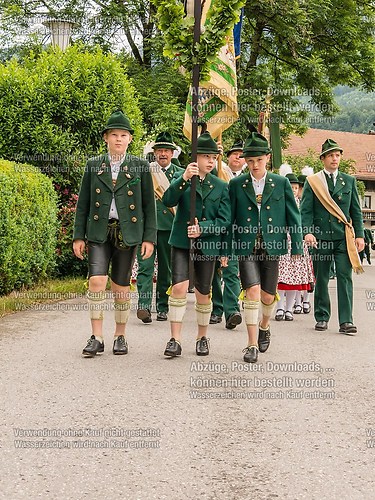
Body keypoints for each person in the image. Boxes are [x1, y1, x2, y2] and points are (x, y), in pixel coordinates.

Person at [73, 110, 156, 357]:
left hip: (127, 233)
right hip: (98, 232)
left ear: (130, 139)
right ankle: (96, 336)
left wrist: (149, 238)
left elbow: (148, 206)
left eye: (123, 135)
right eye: (114, 135)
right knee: (97, 281)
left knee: (121, 287)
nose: (118, 139)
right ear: (106, 138)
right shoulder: (93, 165)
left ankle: (120, 335)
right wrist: (78, 236)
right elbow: (83, 204)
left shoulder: (140, 166)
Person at [228, 132, 303, 363]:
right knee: (252, 292)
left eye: (259, 160)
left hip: (273, 245)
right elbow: (229, 217)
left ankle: (264, 325)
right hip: (246, 245)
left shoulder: (280, 183)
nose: (254, 165)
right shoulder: (236, 184)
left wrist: (297, 246)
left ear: (268, 158)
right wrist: (225, 248)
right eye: (249, 161)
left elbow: (293, 215)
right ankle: (250, 344)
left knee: (268, 296)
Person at [161, 131, 231, 357]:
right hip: (182, 243)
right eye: (206, 157)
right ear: (195, 157)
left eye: (214, 158)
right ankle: (175, 339)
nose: (211, 162)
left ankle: (202, 337)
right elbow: (167, 200)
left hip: (207, 246)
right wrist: (182, 180)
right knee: (179, 288)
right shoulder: (183, 179)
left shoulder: (220, 186)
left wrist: (204, 228)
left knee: (203, 292)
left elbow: (224, 220)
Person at [300, 138, 365, 335]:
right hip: (321, 238)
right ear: (323, 159)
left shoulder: (349, 180)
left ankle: (346, 321)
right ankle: (321, 317)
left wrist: (360, 235)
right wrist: (308, 231)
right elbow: (306, 210)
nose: (335, 159)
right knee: (321, 278)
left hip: (343, 237)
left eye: (337, 155)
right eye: (330, 155)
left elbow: (356, 211)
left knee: (345, 277)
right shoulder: (313, 182)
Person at [136, 132, 184, 323]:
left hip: (170, 227)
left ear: (172, 153)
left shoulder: (180, 173)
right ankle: (144, 306)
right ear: (154, 153)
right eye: (159, 150)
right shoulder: (146, 171)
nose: (163, 154)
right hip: (148, 227)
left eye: (166, 150)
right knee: (145, 267)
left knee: (166, 269)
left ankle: (163, 306)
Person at [210, 140, 244, 329]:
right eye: (234, 154)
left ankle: (232, 310)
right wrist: (216, 154)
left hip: (235, 229)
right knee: (214, 270)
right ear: (228, 157)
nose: (238, 157)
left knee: (231, 269)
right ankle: (217, 308)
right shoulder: (218, 172)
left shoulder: (247, 178)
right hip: (217, 225)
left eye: (241, 155)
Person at [275, 173, 315, 321]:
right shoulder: (279, 202)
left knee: (294, 278)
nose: (292, 190)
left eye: (295, 187)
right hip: (282, 241)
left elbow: (305, 222)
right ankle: (280, 307)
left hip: (297, 243)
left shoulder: (302, 204)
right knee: (281, 277)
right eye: (290, 187)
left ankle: (289, 308)